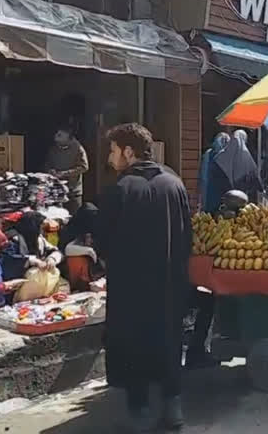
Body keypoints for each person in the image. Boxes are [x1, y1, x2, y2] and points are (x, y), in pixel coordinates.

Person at [99, 123, 192, 431]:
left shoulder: (121, 188)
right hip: (168, 284)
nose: (110, 158)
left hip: (131, 288)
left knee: (133, 344)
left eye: (113, 151)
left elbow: (104, 240)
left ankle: (139, 411)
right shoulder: (174, 184)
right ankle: (172, 407)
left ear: (129, 151)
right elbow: (186, 236)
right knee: (167, 341)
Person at [1, 211, 62, 281]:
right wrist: (32, 261)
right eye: (41, 226)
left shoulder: (39, 239)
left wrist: (52, 259)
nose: (42, 230)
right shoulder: (13, 239)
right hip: (16, 280)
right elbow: (6, 260)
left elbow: (56, 251)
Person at [44, 125, 89, 214]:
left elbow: (84, 167)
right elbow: (47, 164)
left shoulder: (78, 148)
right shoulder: (54, 148)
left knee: (74, 218)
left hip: (73, 191)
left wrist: (64, 174)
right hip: (56, 190)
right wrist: (50, 170)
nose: (56, 136)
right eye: (57, 134)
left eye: (60, 135)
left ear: (68, 137)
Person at [215, 130, 264, 204]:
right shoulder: (245, 153)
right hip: (241, 189)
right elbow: (253, 170)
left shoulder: (222, 154)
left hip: (224, 189)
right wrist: (261, 188)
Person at [198, 132, 230, 213]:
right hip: (214, 190)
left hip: (212, 190)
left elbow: (204, 177)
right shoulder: (210, 154)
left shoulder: (209, 154)